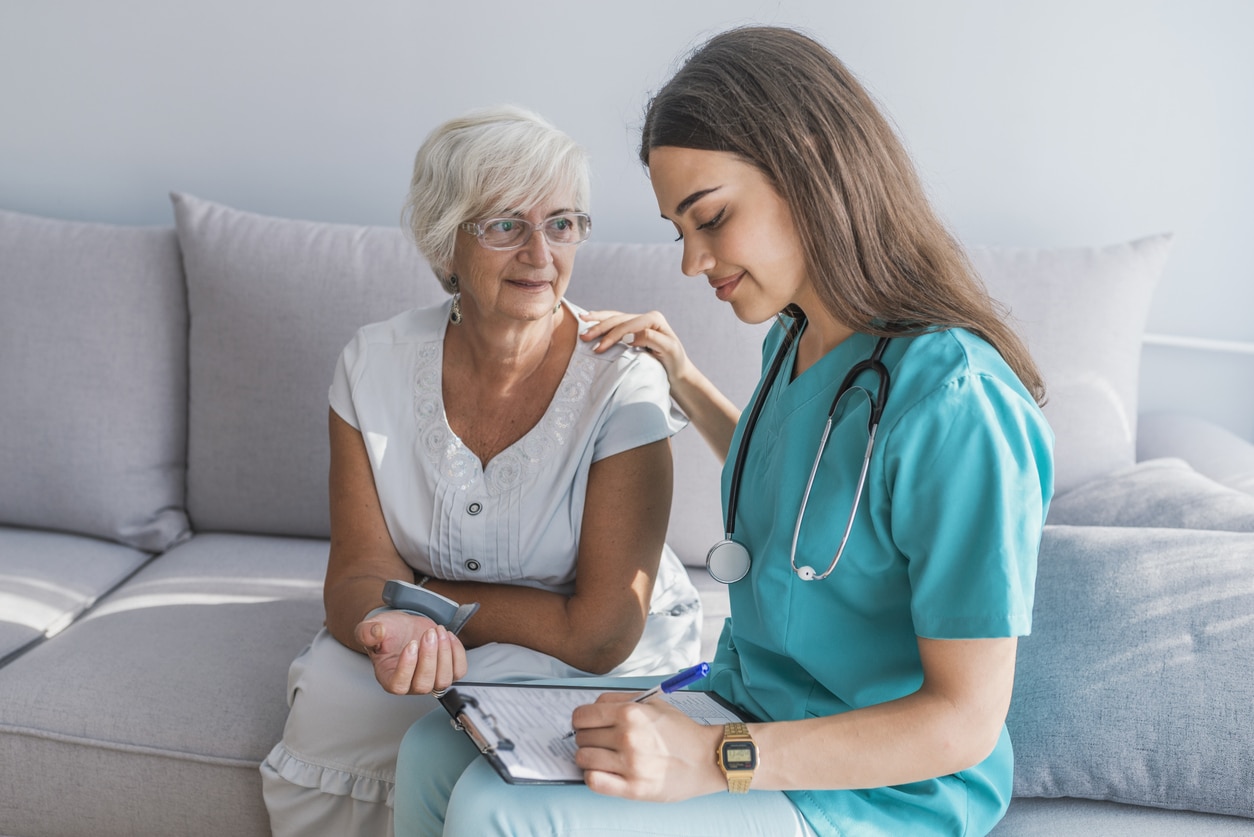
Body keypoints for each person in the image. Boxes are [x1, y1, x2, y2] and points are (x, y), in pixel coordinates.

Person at [392, 26, 1054, 837]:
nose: (691, 261)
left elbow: (963, 722)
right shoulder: (799, 340)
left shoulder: (960, 405)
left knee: (499, 811)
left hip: (875, 790)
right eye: (680, 230)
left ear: (808, 168)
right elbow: (814, 482)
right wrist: (685, 378)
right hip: (748, 714)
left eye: (710, 218)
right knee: (438, 747)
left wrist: (713, 758)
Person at [259, 105, 702, 837]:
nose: (539, 252)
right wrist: (388, 623)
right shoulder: (372, 364)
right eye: (504, 224)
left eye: (562, 223)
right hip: (444, 635)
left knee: (505, 738)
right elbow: (357, 574)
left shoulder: (624, 379)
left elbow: (598, 632)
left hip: (596, 661)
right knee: (332, 709)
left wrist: (428, 601)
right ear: (445, 243)